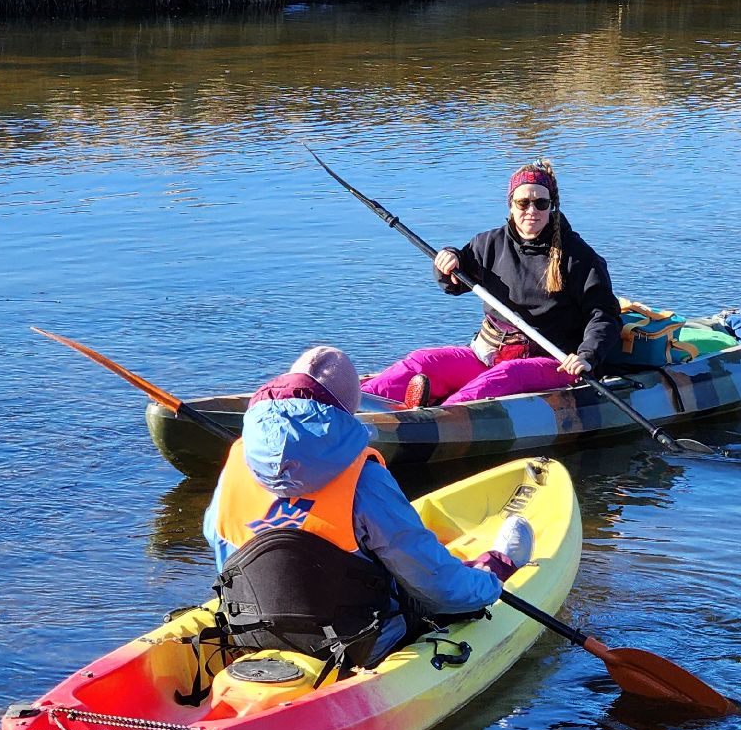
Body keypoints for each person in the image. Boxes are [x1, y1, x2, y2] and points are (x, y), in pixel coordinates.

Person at [203, 347, 533, 675]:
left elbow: (224, 557)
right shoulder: (365, 479)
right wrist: (488, 585)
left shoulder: (235, 465)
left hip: (254, 635)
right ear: (346, 411)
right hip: (361, 643)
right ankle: (497, 563)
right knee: (436, 583)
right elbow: (438, 588)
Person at [361, 159, 623, 408]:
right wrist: (449, 258)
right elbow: (454, 284)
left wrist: (587, 356)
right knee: (423, 361)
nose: (532, 211)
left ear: (551, 206)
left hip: (555, 363)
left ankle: (434, 419)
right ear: (511, 205)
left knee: (505, 375)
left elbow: (604, 314)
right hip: (488, 354)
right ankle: (351, 402)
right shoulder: (489, 243)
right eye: (523, 203)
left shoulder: (579, 257)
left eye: (541, 203)